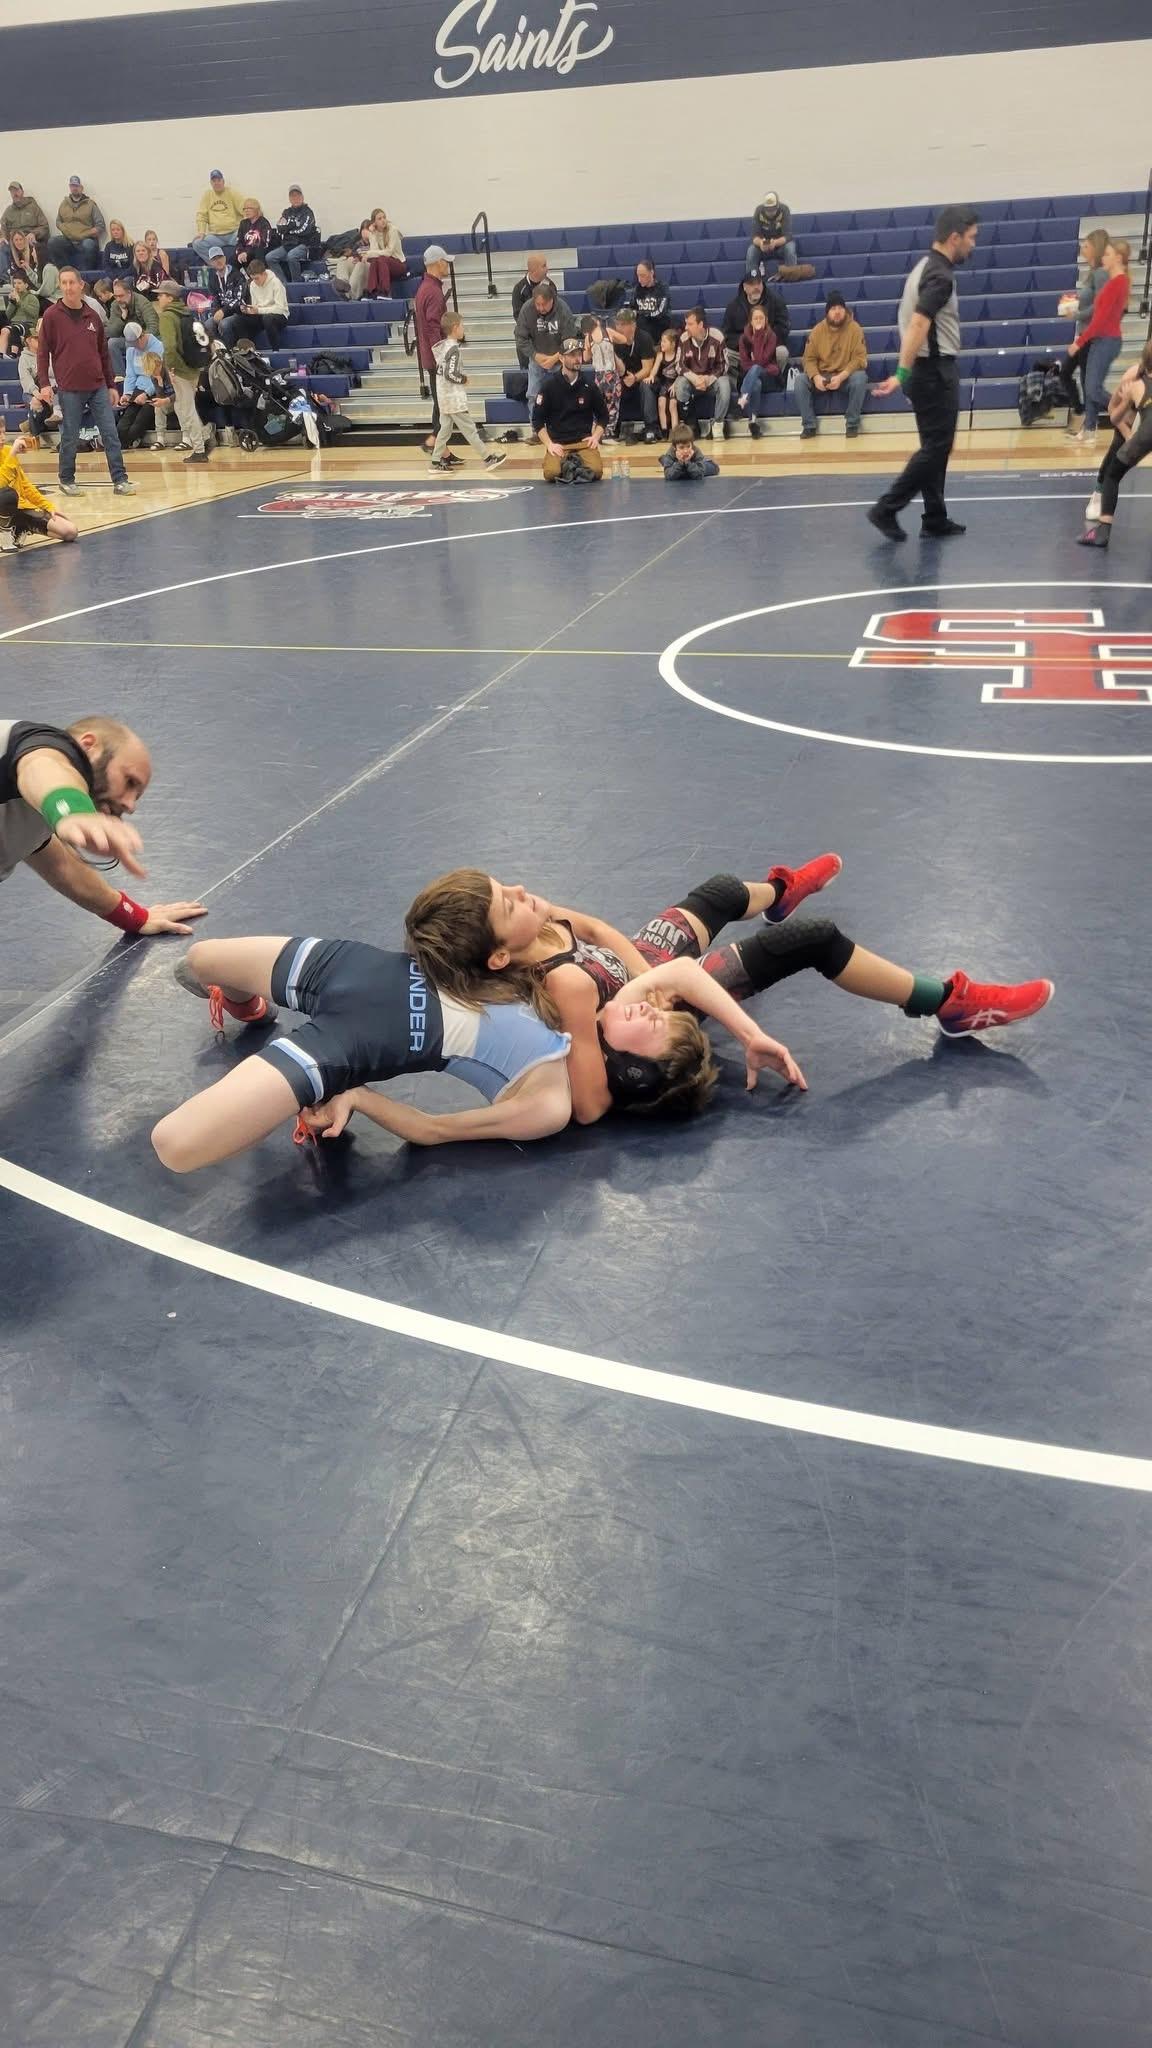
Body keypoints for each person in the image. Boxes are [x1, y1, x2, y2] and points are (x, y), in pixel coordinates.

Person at [405, 859, 1053, 1126]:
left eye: (505, 887)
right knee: (814, 941)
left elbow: (596, 929)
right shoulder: (557, 986)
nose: (520, 891)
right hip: (651, 1007)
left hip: (640, 971)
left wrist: (644, 967)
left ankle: (779, 893)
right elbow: (591, 1104)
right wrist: (650, 994)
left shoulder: (537, 922)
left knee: (715, 894)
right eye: (507, 903)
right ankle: (950, 1003)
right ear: (499, 954)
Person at [151, 936, 577, 1172]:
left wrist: (356, 1095)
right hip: (359, 967)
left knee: (174, 1145)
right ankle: (248, 1007)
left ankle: (288, 1078)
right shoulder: (577, 986)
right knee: (200, 959)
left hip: (358, 1040)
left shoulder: (548, 1109)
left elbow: (433, 1130)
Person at [0, 715, 205, 936]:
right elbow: (43, 766)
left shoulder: (29, 813)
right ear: (88, 746)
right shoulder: (36, 744)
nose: (130, 805)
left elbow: (60, 865)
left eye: (136, 795)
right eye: (129, 782)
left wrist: (133, 916)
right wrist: (73, 810)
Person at [867, 204, 980, 542]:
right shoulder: (940, 276)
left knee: (935, 447)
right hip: (933, 371)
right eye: (971, 238)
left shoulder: (925, 266)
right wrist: (901, 374)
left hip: (926, 370)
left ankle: (934, 516)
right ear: (954, 237)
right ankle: (886, 508)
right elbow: (918, 324)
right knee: (936, 447)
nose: (973, 245)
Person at [37, 268, 134, 498]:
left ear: (81, 285)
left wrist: (111, 385)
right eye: (64, 283)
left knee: (110, 433)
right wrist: (44, 383)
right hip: (69, 387)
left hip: (97, 386)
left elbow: (103, 354)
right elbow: (42, 352)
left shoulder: (92, 316)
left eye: (72, 282)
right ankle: (66, 479)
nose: (68, 287)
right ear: (60, 286)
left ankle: (120, 480)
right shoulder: (51, 315)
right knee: (70, 436)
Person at [1077, 338, 1152, 549]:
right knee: (1116, 448)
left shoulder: (1136, 383)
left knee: (1115, 472)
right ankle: (1098, 495)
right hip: (1133, 423)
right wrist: (1129, 436)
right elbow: (1113, 411)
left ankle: (1103, 530)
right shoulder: (1132, 375)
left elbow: (1115, 415)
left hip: (1144, 425)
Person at [1065, 237, 1130, 444]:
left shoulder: (1117, 283)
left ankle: (1130, 411)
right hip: (1102, 340)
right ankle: (1090, 429)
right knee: (1091, 386)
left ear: (1118, 258)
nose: (1103, 257)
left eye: (1107, 254)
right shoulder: (1114, 282)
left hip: (1106, 340)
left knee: (1093, 389)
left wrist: (1079, 342)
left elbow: (1100, 320)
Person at [430, 309, 507, 472]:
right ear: (455, 328)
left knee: (444, 430)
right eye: (462, 326)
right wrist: (463, 379)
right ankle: (488, 458)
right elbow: (450, 374)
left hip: (444, 397)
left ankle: (435, 462)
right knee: (470, 430)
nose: (463, 329)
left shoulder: (443, 347)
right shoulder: (453, 349)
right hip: (453, 399)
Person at [793, 289, 869, 439]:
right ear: (827, 312)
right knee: (800, 380)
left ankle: (852, 423)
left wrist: (841, 376)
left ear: (845, 310)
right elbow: (808, 359)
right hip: (822, 376)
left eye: (840, 308)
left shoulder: (855, 329)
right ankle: (809, 425)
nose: (837, 312)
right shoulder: (817, 331)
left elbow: (860, 359)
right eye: (833, 308)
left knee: (860, 378)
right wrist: (815, 377)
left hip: (844, 377)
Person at [533, 335, 607, 481]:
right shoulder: (549, 386)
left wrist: (595, 437)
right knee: (551, 473)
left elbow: (603, 415)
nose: (577, 359)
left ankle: (572, 467)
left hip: (583, 442)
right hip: (559, 443)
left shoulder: (589, 386)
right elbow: (537, 420)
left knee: (596, 471)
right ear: (561, 358)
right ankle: (570, 466)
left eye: (579, 354)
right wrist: (549, 444)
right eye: (572, 355)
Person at [0, 419, 78, 552]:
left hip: (19, 507)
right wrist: (13, 454)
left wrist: (47, 506)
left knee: (70, 531)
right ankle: (4, 535)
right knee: (7, 495)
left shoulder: (7, 451)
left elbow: (25, 485)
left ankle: (21, 526)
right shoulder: (11, 453)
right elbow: (1, 484)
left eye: (4, 433)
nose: (3, 438)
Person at [154, 279, 209, 464]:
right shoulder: (185, 312)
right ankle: (204, 438)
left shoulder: (167, 317)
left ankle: (199, 450)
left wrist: (171, 368)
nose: (159, 298)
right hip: (193, 366)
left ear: (170, 297)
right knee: (184, 407)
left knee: (187, 409)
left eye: (161, 295)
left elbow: (170, 347)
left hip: (180, 369)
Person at [515, 278, 577, 411]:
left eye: (544, 304)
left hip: (561, 359)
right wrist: (535, 355)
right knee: (533, 395)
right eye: (537, 304)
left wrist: (555, 358)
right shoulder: (527, 309)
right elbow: (520, 338)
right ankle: (535, 423)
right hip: (537, 358)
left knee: (565, 393)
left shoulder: (563, 309)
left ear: (552, 300)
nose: (541, 308)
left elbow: (570, 340)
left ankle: (564, 422)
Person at [415, 245, 452, 455]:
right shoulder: (433, 292)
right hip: (436, 358)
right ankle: (434, 443)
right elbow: (432, 327)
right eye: (446, 262)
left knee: (441, 403)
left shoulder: (424, 288)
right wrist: (442, 356)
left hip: (429, 357)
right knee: (444, 404)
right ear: (438, 263)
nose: (448, 265)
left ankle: (440, 448)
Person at [675, 307, 731, 439]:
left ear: (700, 324)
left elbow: (724, 365)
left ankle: (718, 424)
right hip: (693, 381)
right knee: (680, 385)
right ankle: (691, 423)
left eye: (690, 324)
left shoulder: (717, 337)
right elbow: (679, 365)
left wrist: (707, 379)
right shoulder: (683, 338)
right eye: (686, 324)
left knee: (724, 385)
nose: (686, 328)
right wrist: (695, 378)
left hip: (711, 381)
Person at [722, 273, 790, 376]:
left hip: (768, 349)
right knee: (725, 354)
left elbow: (783, 328)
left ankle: (774, 380)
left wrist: (763, 343)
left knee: (782, 352)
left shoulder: (776, 301)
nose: (756, 287)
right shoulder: (733, 306)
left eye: (758, 283)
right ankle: (738, 382)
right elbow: (727, 335)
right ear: (744, 287)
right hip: (743, 350)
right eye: (752, 284)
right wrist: (748, 344)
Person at [116, 324, 170, 449]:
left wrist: (146, 393)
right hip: (138, 389)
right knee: (121, 427)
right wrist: (127, 394)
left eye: (135, 343)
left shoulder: (159, 348)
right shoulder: (131, 350)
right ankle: (123, 444)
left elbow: (160, 376)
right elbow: (130, 375)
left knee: (136, 427)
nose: (134, 346)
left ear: (142, 336)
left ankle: (129, 441)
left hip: (156, 390)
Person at [736, 304, 782, 438]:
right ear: (750, 321)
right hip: (752, 378)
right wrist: (755, 366)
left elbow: (762, 360)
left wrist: (759, 335)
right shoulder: (743, 338)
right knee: (755, 384)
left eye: (761, 318)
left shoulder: (771, 336)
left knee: (756, 368)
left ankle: (743, 399)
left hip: (769, 377)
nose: (758, 321)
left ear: (766, 320)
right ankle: (753, 422)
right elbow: (744, 364)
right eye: (755, 318)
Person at [223, 254, 288, 349]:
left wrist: (259, 310)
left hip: (279, 316)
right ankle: (247, 350)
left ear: (264, 273)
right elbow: (256, 306)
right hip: (261, 314)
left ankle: (276, 350)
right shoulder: (253, 285)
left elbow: (280, 309)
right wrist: (248, 310)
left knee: (268, 319)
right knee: (238, 320)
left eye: (257, 278)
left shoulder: (276, 283)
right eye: (253, 279)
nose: (255, 281)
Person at [45, 176, 106, 271]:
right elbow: (58, 221)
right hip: (68, 240)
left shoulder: (90, 204)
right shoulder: (64, 204)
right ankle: (65, 271)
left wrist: (87, 233)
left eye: (77, 186)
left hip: (86, 239)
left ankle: (85, 275)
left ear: (81, 188)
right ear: (70, 187)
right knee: (53, 242)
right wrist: (66, 230)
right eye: (72, 186)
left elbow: (100, 225)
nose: (75, 188)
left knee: (88, 245)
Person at [266, 186, 321, 284]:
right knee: (269, 257)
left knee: (291, 256)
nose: (295, 198)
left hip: (304, 245)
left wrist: (288, 228)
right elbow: (280, 229)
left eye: (297, 195)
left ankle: (296, 283)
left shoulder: (308, 212)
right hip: (288, 244)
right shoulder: (286, 212)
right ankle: (283, 284)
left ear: (302, 197)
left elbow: (304, 231)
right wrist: (294, 226)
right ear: (289, 199)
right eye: (292, 196)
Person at [105, 275, 159, 376]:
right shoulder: (115, 305)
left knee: (134, 345)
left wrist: (141, 340)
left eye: (121, 296)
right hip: (128, 340)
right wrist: (122, 318)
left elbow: (153, 327)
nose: (118, 299)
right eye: (115, 296)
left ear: (129, 293)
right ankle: (121, 377)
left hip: (144, 338)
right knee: (111, 343)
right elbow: (111, 332)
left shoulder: (143, 303)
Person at [580, 311, 621, 439]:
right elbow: (624, 339)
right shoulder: (608, 331)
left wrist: (590, 348)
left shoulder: (588, 338)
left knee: (598, 404)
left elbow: (585, 358)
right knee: (612, 404)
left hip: (599, 376)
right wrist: (612, 343)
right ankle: (608, 431)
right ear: (597, 323)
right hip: (611, 375)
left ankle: (596, 431)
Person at [1, 184, 52, 278]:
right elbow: (3, 226)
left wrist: (34, 233)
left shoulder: (33, 207)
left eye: (16, 190)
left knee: (38, 249)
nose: (14, 194)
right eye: (12, 191)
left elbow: (44, 226)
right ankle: (5, 280)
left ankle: (36, 278)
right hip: (14, 242)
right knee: (3, 249)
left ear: (22, 192)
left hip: (29, 240)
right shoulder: (8, 211)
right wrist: (3, 237)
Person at [193, 171, 245, 260]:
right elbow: (201, 215)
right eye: (214, 181)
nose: (217, 183)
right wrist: (201, 232)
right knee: (197, 244)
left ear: (223, 181)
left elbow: (245, 209)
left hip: (234, 234)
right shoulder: (207, 195)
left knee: (250, 239)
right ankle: (217, 264)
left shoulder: (232, 193)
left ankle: (243, 265)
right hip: (215, 236)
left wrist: (247, 228)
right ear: (211, 183)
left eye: (219, 180)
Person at [643, 327, 681, 439]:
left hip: (674, 383)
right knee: (661, 403)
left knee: (673, 405)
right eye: (661, 341)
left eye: (665, 341)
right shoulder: (660, 355)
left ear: (673, 344)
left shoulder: (678, 355)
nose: (662, 344)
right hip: (665, 383)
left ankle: (675, 432)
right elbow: (654, 369)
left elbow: (681, 372)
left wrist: (676, 384)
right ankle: (664, 431)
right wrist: (651, 376)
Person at [746, 192, 797, 276]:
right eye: (768, 209)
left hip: (781, 246)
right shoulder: (759, 210)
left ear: (777, 206)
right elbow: (754, 236)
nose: (770, 212)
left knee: (790, 248)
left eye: (773, 209)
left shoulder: (784, 209)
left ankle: (791, 276)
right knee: (751, 251)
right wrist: (761, 243)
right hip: (763, 247)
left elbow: (788, 236)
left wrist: (775, 243)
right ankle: (752, 278)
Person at [201, 245, 248, 331]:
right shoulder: (212, 279)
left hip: (238, 313)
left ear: (225, 258)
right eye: (215, 259)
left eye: (220, 257)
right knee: (208, 324)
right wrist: (216, 312)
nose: (218, 261)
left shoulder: (237, 275)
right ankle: (216, 341)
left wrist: (223, 311)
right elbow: (214, 299)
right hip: (222, 312)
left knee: (224, 324)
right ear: (211, 263)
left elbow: (239, 300)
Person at [362, 207, 406, 294]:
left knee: (381, 259)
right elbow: (374, 253)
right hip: (384, 265)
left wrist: (369, 253)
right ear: (374, 222)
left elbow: (388, 252)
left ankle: (385, 291)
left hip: (399, 264)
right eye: (379, 219)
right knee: (375, 260)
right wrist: (371, 235)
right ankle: (372, 291)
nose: (383, 220)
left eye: (384, 217)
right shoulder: (375, 232)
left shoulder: (393, 230)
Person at [629, 260, 670, 353]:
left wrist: (642, 314)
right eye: (638, 276)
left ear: (652, 273)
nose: (639, 279)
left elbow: (660, 312)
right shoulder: (636, 290)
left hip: (658, 333)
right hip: (642, 336)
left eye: (643, 275)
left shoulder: (662, 288)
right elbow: (632, 310)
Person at [512, 253, 549, 356]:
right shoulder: (519, 289)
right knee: (520, 335)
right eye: (544, 266)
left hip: (546, 332)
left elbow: (555, 311)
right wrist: (533, 328)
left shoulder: (550, 286)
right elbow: (518, 315)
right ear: (534, 270)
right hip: (528, 334)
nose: (547, 269)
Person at [234, 199, 274, 270]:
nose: (246, 211)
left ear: (257, 209)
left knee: (259, 253)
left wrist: (247, 253)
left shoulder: (264, 223)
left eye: (249, 208)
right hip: (245, 252)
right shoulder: (243, 223)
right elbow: (239, 241)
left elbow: (264, 243)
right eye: (245, 209)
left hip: (258, 252)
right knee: (232, 259)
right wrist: (240, 252)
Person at [335, 226, 371, 303]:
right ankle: (342, 283)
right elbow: (351, 252)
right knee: (343, 262)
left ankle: (350, 294)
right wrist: (354, 256)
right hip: (358, 262)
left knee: (360, 264)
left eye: (368, 230)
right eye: (363, 229)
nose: (365, 233)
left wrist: (361, 258)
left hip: (370, 265)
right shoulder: (357, 243)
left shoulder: (378, 241)